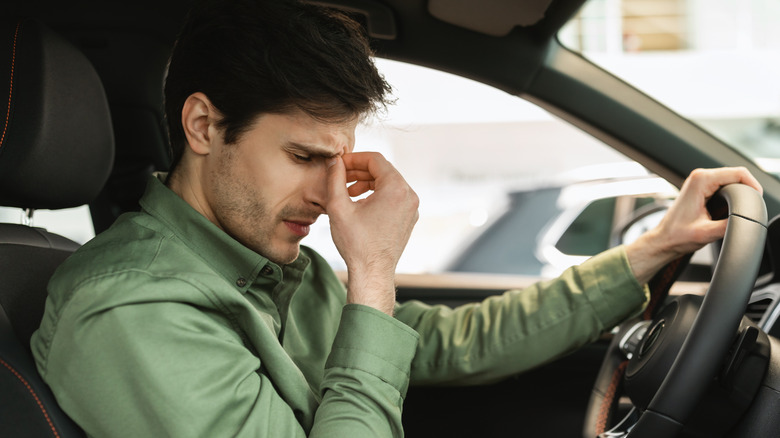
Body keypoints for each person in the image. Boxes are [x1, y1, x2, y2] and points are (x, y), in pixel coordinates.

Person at [31, 0, 763, 436]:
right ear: (202, 126)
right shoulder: (132, 309)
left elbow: (442, 343)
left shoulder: (267, 262)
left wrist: (645, 254)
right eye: (301, 154)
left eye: (340, 159)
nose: (328, 193)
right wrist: (371, 276)